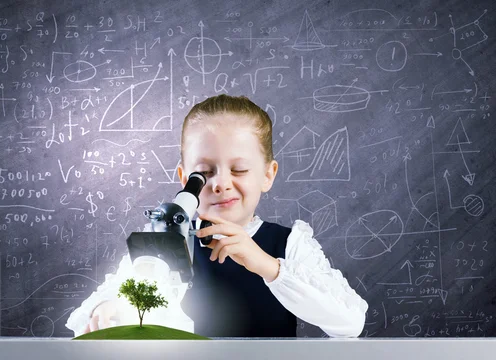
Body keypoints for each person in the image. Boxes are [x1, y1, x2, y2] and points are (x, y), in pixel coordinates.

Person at [66, 94, 368, 338]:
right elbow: (103, 310)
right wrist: (106, 309)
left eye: (239, 169)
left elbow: (350, 323)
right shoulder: (164, 242)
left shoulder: (290, 245)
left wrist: (267, 266)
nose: (221, 182)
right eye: (204, 173)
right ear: (185, 179)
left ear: (267, 174)